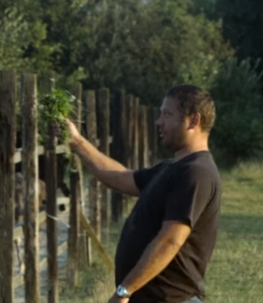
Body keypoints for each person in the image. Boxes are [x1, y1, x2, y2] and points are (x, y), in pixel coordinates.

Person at [66, 84, 222, 303]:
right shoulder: (173, 167)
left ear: (193, 121)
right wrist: (77, 142)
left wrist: (124, 290)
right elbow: (121, 177)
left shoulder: (196, 173)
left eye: (167, 114)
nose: (159, 122)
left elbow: (170, 240)